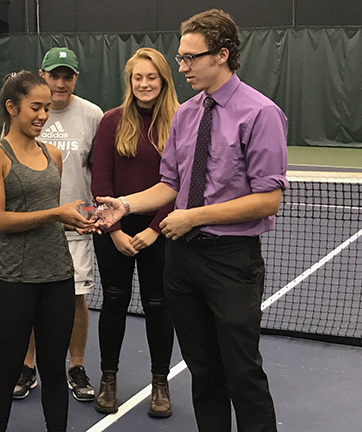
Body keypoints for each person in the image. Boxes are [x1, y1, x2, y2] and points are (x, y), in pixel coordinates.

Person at [95, 9, 287, 432]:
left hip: (231, 262)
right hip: (182, 263)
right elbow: (170, 184)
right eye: (179, 58)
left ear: (221, 54)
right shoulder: (186, 114)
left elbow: (268, 198)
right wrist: (124, 205)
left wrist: (192, 216)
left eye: (189, 58)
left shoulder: (261, 113)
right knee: (203, 372)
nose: (180, 67)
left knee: (242, 372)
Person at [0, 70, 95, 432]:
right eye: (35, 107)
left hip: (58, 278)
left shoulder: (54, 154)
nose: (43, 115)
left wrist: (73, 220)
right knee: (6, 369)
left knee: (54, 372)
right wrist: (57, 213)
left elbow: (48, 216)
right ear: (12, 107)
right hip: (14, 280)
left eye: (47, 108)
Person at [11, 47, 103, 403]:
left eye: (68, 76)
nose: (60, 83)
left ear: (75, 78)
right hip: (34, 226)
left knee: (78, 299)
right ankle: (27, 365)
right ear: (42, 75)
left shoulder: (92, 115)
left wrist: (93, 211)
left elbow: (97, 168)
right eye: (54, 75)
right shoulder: (27, 112)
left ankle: (76, 366)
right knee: (31, 301)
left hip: (76, 228)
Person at [90, 47, 179, 416]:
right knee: (113, 301)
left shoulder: (180, 120)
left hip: (163, 231)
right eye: (137, 77)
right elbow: (100, 179)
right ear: (130, 81)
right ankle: (107, 381)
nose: (144, 84)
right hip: (114, 229)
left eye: (151, 77)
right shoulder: (111, 121)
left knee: (159, 305)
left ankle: (161, 385)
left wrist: (155, 229)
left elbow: (181, 182)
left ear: (163, 80)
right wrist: (113, 231)